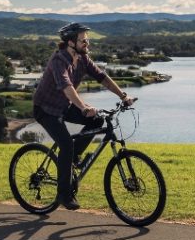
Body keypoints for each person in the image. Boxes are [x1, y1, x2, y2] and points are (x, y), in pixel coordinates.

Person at [32, 22, 135, 210]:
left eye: (88, 39)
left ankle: (72, 157)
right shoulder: (59, 60)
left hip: (64, 105)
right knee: (66, 144)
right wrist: (83, 107)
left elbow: (102, 77)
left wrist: (123, 95)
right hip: (46, 109)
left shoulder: (83, 59)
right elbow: (66, 87)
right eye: (84, 40)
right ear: (71, 42)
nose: (87, 43)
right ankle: (63, 195)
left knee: (97, 119)